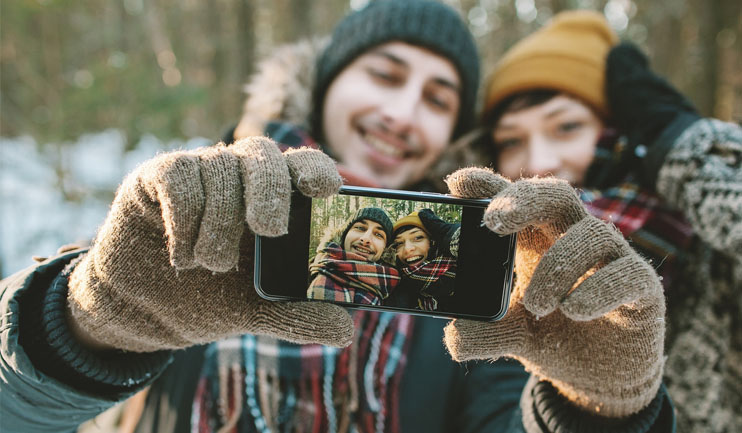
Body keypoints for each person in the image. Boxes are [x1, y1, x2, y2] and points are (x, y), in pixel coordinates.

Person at [1, 2, 676, 432]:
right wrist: (90, 318)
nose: (404, 113)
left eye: (438, 98)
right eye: (385, 75)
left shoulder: (479, 281)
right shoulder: (194, 213)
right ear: (327, 84)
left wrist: (603, 410)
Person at [440, 10, 741, 432]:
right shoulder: (500, 290)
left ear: (621, 133)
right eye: (511, 140)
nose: (540, 162)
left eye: (566, 126)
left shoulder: (714, 251)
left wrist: (685, 147)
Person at [307, 207, 400, 305]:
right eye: (360, 228)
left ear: (385, 249)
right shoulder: (309, 269)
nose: (365, 239)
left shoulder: (394, 293)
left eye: (379, 235)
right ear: (344, 235)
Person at [388, 209, 458, 311]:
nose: (408, 249)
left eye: (418, 238)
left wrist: (458, 237)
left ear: (432, 241)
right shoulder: (393, 285)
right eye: (399, 243)